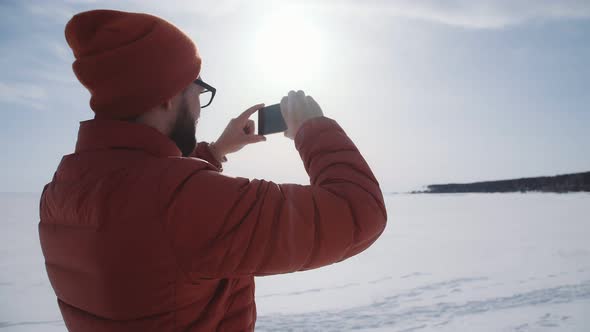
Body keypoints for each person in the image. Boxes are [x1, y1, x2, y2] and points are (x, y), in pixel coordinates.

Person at [39, 9, 387, 332]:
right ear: (167, 96)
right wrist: (313, 128)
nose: (200, 107)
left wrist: (216, 151)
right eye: (198, 89)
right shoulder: (182, 203)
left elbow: (148, 203)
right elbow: (359, 211)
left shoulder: (62, 188)